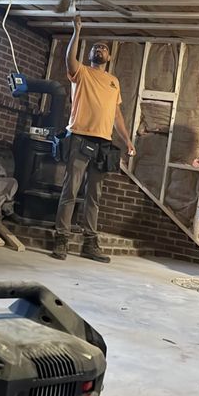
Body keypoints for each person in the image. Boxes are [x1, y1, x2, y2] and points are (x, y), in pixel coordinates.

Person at [52, 15, 136, 264]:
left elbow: (117, 114)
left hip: (103, 142)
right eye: (96, 48)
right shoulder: (81, 73)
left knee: (94, 196)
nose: (100, 50)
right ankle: (61, 239)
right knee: (71, 190)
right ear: (89, 55)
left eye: (104, 49)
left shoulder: (114, 81)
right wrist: (77, 31)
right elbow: (69, 59)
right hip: (79, 138)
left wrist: (128, 141)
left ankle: (90, 242)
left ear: (109, 57)